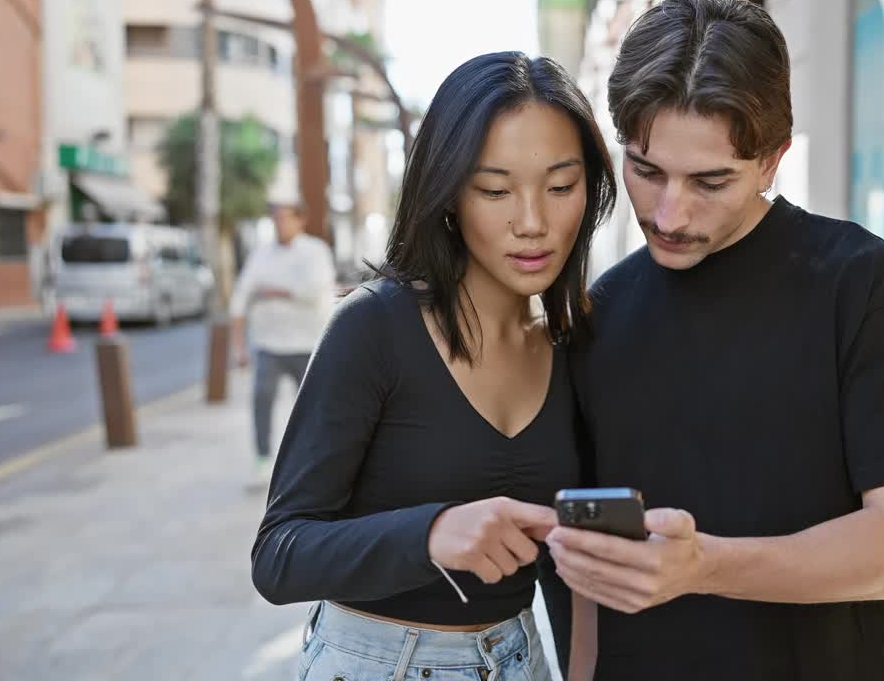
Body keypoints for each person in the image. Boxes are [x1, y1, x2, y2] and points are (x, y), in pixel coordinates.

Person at [544, 0, 884, 680]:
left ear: (772, 160)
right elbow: (590, 578)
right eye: (646, 171)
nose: (669, 212)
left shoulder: (865, 288)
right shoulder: (601, 313)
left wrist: (703, 566)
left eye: (710, 181)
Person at [250, 51, 616, 681]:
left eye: (560, 187)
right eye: (495, 190)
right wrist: (431, 534)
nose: (532, 223)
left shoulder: (570, 342)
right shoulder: (374, 327)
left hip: (520, 658)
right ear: (449, 195)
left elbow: (567, 548)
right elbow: (279, 556)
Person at [229, 201, 336, 486]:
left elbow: (314, 291)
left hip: (309, 344)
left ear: (300, 220)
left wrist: (274, 291)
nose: (280, 225)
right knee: (261, 398)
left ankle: (318, 463)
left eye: (286, 219)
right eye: (275, 219)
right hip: (269, 344)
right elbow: (242, 296)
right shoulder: (260, 256)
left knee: (314, 406)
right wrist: (238, 347)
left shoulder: (316, 251)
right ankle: (263, 459)